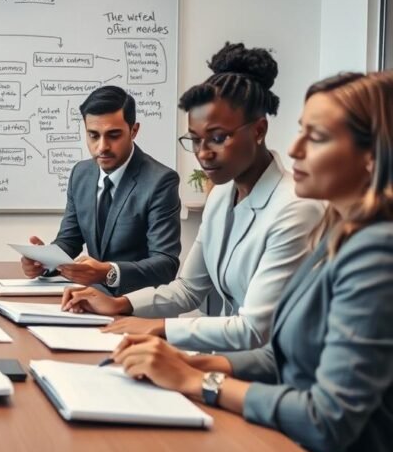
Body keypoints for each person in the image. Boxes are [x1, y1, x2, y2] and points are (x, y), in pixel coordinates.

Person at [111, 71, 393, 452]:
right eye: (300, 132)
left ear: (372, 155)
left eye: (316, 137)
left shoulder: (376, 252)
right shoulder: (339, 232)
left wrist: (199, 381)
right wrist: (188, 362)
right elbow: (280, 355)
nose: (294, 149)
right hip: (287, 439)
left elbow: (327, 419)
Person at [62, 44, 324, 351]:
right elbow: (188, 289)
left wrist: (158, 328)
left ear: (258, 130)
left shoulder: (295, 208)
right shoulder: (222, 196)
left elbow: (254, 331)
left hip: (268, 372)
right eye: (195, 140)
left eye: (218, 138)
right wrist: (120, 304)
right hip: (224, 358)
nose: (203, 154)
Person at [20, 85, 181, 294]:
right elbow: (69, 241)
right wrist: (44, 262)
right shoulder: (81, 174)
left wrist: (107, 272)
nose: (102, 147)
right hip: (91, 300)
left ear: (134, 130)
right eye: (93, 135)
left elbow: (166, 265)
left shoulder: (160, 181)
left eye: (113, 135)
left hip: (141, 307)